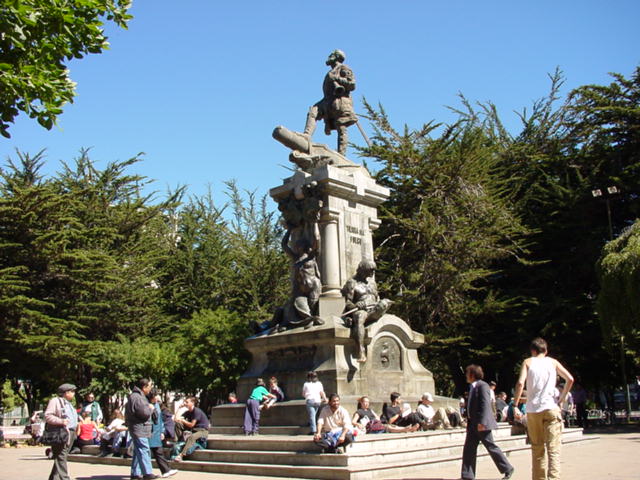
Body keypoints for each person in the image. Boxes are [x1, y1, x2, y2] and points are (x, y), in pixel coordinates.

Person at [513, 337, 574, 480]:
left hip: (533, 410)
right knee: (554, 449)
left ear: (532, 350)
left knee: (537, 448)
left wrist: (515, 405)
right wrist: (562, 398)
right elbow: (570, 379)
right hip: (551, 408)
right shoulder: (552, 362)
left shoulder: (528, 362)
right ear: (545, 350)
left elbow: (520, 383)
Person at [461, 364, 514, 480]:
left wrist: (482, 422)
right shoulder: (473, 387)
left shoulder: (482, 385)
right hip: (472, 423)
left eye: (467, 373)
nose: (466, 376)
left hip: (481, 423)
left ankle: (507, 468)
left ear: (472, 374)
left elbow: (485, 404)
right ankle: (467, 475)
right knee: (469, 449)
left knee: (490, 446)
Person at [303, 49, 358, 155]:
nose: (329, 56)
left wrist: (337, 78)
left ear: (336, 57)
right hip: (328, 101)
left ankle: (342, 154)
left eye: (332, 55)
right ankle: (307, 135)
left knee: (341, 127)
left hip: (340, 101)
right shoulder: (331, 71)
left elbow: (352, 85)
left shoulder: (343, 68)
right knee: (313, 111)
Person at [341, 259, 392, 362]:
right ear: (363, 269)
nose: (373, 273)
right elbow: (347, 302)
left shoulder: (373, 284)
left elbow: (377, 298)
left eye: (374, 270)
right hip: (362, 311)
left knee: (385, 302)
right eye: (371, 270)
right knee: (360, 317)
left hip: (374, 309)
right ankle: (360, 350)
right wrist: (357, 305)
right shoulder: (352, 283)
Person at [124, 377, 158, 480]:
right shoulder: (138, 397)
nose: (151, 388)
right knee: (144, 449)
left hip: (138, 428)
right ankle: (147, 473)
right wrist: (150, 408)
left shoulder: (136, 396)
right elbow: (143, 414)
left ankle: (135, 473)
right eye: (150, 386)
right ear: (144, 387)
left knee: (138, 451)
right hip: (139, 429)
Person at [44, 383, 78, 480]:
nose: (74, 393)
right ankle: (65, 478)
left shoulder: (69, 403)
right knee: (61, 456)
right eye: (72, 391)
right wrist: (61, 421)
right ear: (66, 392)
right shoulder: (55, 401)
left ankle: (54, 478)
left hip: (70, 433)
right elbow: (48, 416)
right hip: (60, 432)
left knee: (61, 456)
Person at [147, 389, 178, 478]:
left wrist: (162, 432)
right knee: (149, 453)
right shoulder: (147, 405)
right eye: (156, 395)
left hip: (156, 432)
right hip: (150, 432)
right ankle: (140, 473)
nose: (158, 397)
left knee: (158, 452)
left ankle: (166, 470)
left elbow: (160, 420)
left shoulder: (156, 405)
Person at [174, 396, 211, 462]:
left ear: (192, 403)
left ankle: (181, 455)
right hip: (193, 431)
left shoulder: (197, 411)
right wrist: (179, 408)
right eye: (185, 402)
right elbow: (176, 419)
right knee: (178, 424)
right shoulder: (188, 412)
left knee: (191, 437)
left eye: (187, 402)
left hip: (202, 431)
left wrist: (183, 421)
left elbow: (192, 425)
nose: (185, 403)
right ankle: (180, 441)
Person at [302, 371, 327, 435]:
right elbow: (322, 392)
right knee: (314, 415)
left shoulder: (306, 384)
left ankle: (313, 430)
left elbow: (303, 394)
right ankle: (312, 424)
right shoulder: (319, 383)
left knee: (312, 416)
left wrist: (306, 396)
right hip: (318, 401)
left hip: (310, 400)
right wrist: (324, 398)